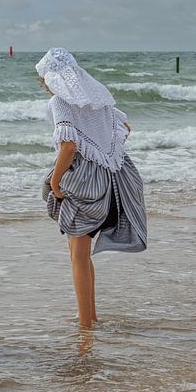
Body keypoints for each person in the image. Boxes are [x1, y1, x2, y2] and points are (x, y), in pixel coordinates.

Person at [37, 47, 147, 329]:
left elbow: (69, 146)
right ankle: (91, 316)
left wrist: (54, 181)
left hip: (85, 185)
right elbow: (126, 128)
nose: (44, 85)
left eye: (44, 79)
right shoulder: (100, 101)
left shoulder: (60, 103)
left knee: (77, 257)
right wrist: (104, 151)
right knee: (83, 258)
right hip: (114, 181)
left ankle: (85, 324)